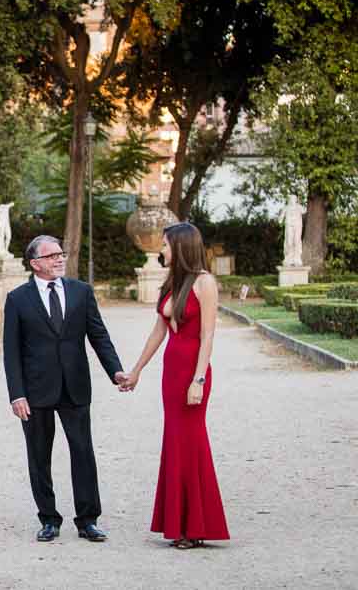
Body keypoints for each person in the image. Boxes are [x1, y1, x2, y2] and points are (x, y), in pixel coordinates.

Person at [2, 235, 126, 542]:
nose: (60, 259)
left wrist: (116, 370)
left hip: (75, 386)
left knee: (83, 452)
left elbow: (99, 335)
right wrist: (17, 394)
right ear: (35, 264)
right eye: (52, 256)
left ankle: (88, 520)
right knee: (39, 457)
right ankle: (49, 519)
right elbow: (11, 351)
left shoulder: (81, 292)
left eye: (61, 254)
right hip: (35, 392)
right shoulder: (18, 299)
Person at [117, 222, 230, 549]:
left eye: (165, 245)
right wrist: (136, 370)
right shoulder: (171, 284)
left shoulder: (204, 282)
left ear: (180, 247)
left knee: (190, 443)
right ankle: (179, 523)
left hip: (193, 371)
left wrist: (199, 378)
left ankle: (194, 525)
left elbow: (208, 334)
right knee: (175, 443)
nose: (161, 250)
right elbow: (158, 332)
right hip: (172, 372)